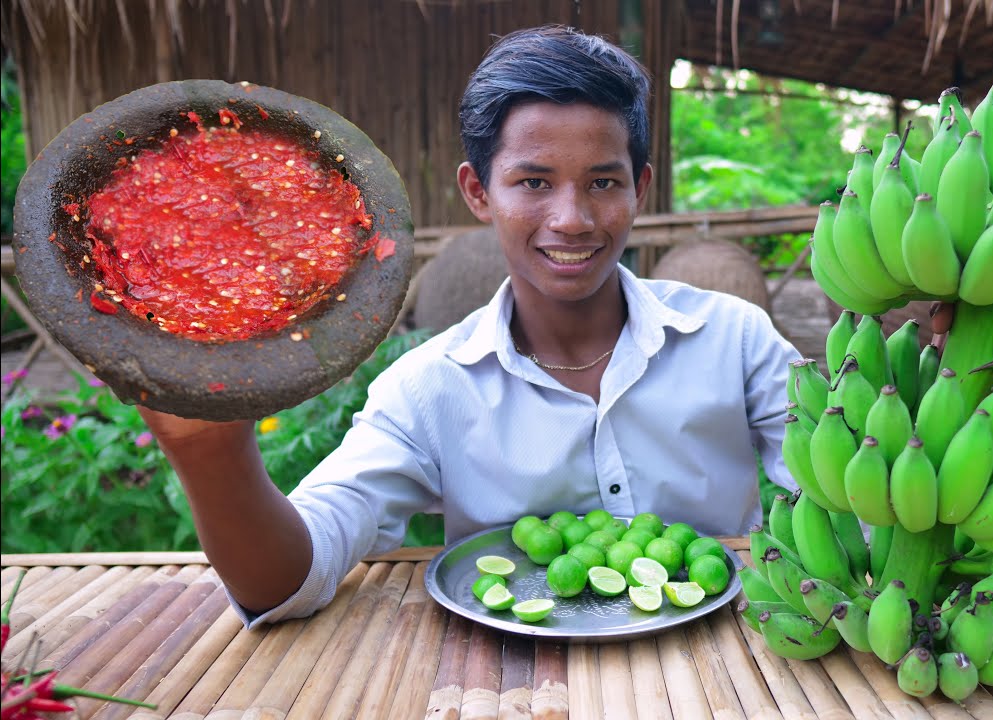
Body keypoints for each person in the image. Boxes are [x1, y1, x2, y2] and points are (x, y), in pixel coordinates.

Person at [138, 24, 801, 628]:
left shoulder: (736, 341)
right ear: (478, 192)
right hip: (511, 689)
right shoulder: (428, 390)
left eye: (603, 182)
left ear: (640, 190)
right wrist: (211, 456)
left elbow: (853, 501)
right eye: (534, 182)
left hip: (737, 674)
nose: (571, 218)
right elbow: (296, 577)